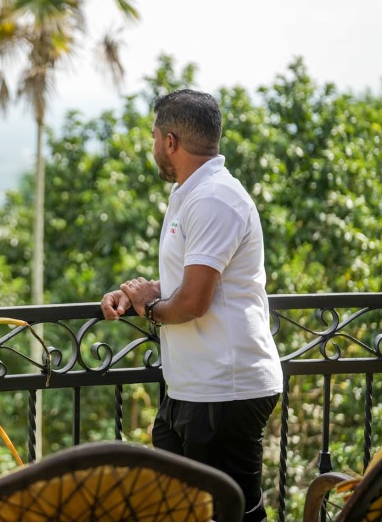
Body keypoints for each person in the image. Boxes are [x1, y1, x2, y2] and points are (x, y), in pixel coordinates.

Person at [100, 89, 282, 522]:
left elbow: (194, 301)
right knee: (182, 512)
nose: (153, 145)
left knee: (230, 515)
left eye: (154, 136)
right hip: (192, 388)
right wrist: (137, 294)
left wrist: (148, 308)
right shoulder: (192, 194)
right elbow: (191, 281)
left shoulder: (214, 198)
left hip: (225, 389)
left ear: (170, 141)